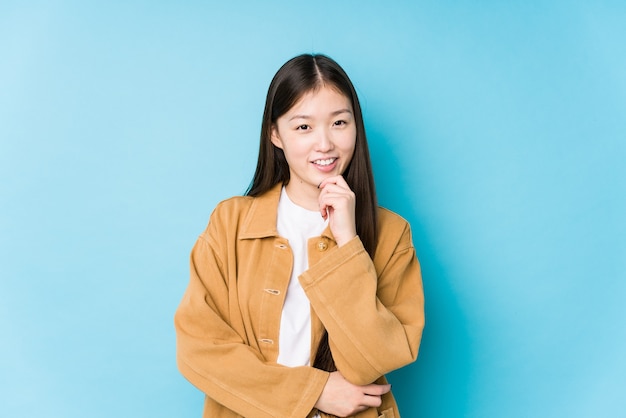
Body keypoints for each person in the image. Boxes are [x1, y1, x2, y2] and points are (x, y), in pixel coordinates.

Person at [174, 53, 425, 418]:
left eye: (339, 122)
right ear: (275, 134)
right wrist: (314, 392)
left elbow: (372, 359)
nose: (324, 144)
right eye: (303, 127)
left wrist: (348, 243)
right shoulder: (230, 223)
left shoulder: (391, 234)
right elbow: (200, 348)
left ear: (356, 126)